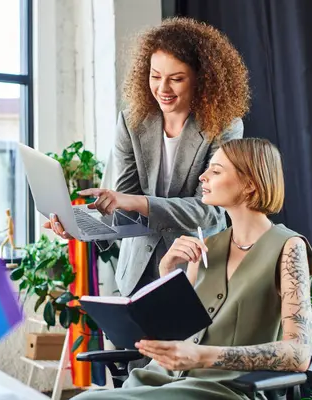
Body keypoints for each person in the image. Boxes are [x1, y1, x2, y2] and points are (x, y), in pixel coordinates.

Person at [73, 138, 312, 399]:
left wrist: (202, 356)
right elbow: (176, 332)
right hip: (158, 379)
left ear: (249, 184)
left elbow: (299, 353)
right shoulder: (207, 246)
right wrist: (167, 273)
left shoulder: (289, 247)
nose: (203, 176)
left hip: (222, 389)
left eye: (216, 170)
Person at [44, 17, 251, 297]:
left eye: (176, 79)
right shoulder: (131, 122)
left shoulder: (225, 127)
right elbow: (124, 205)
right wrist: (79, 227)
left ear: (202, 80)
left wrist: (136, 202)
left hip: (195, 272)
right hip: (137, 273)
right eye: (155, 76)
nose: (162, 89)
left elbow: (210, 211)